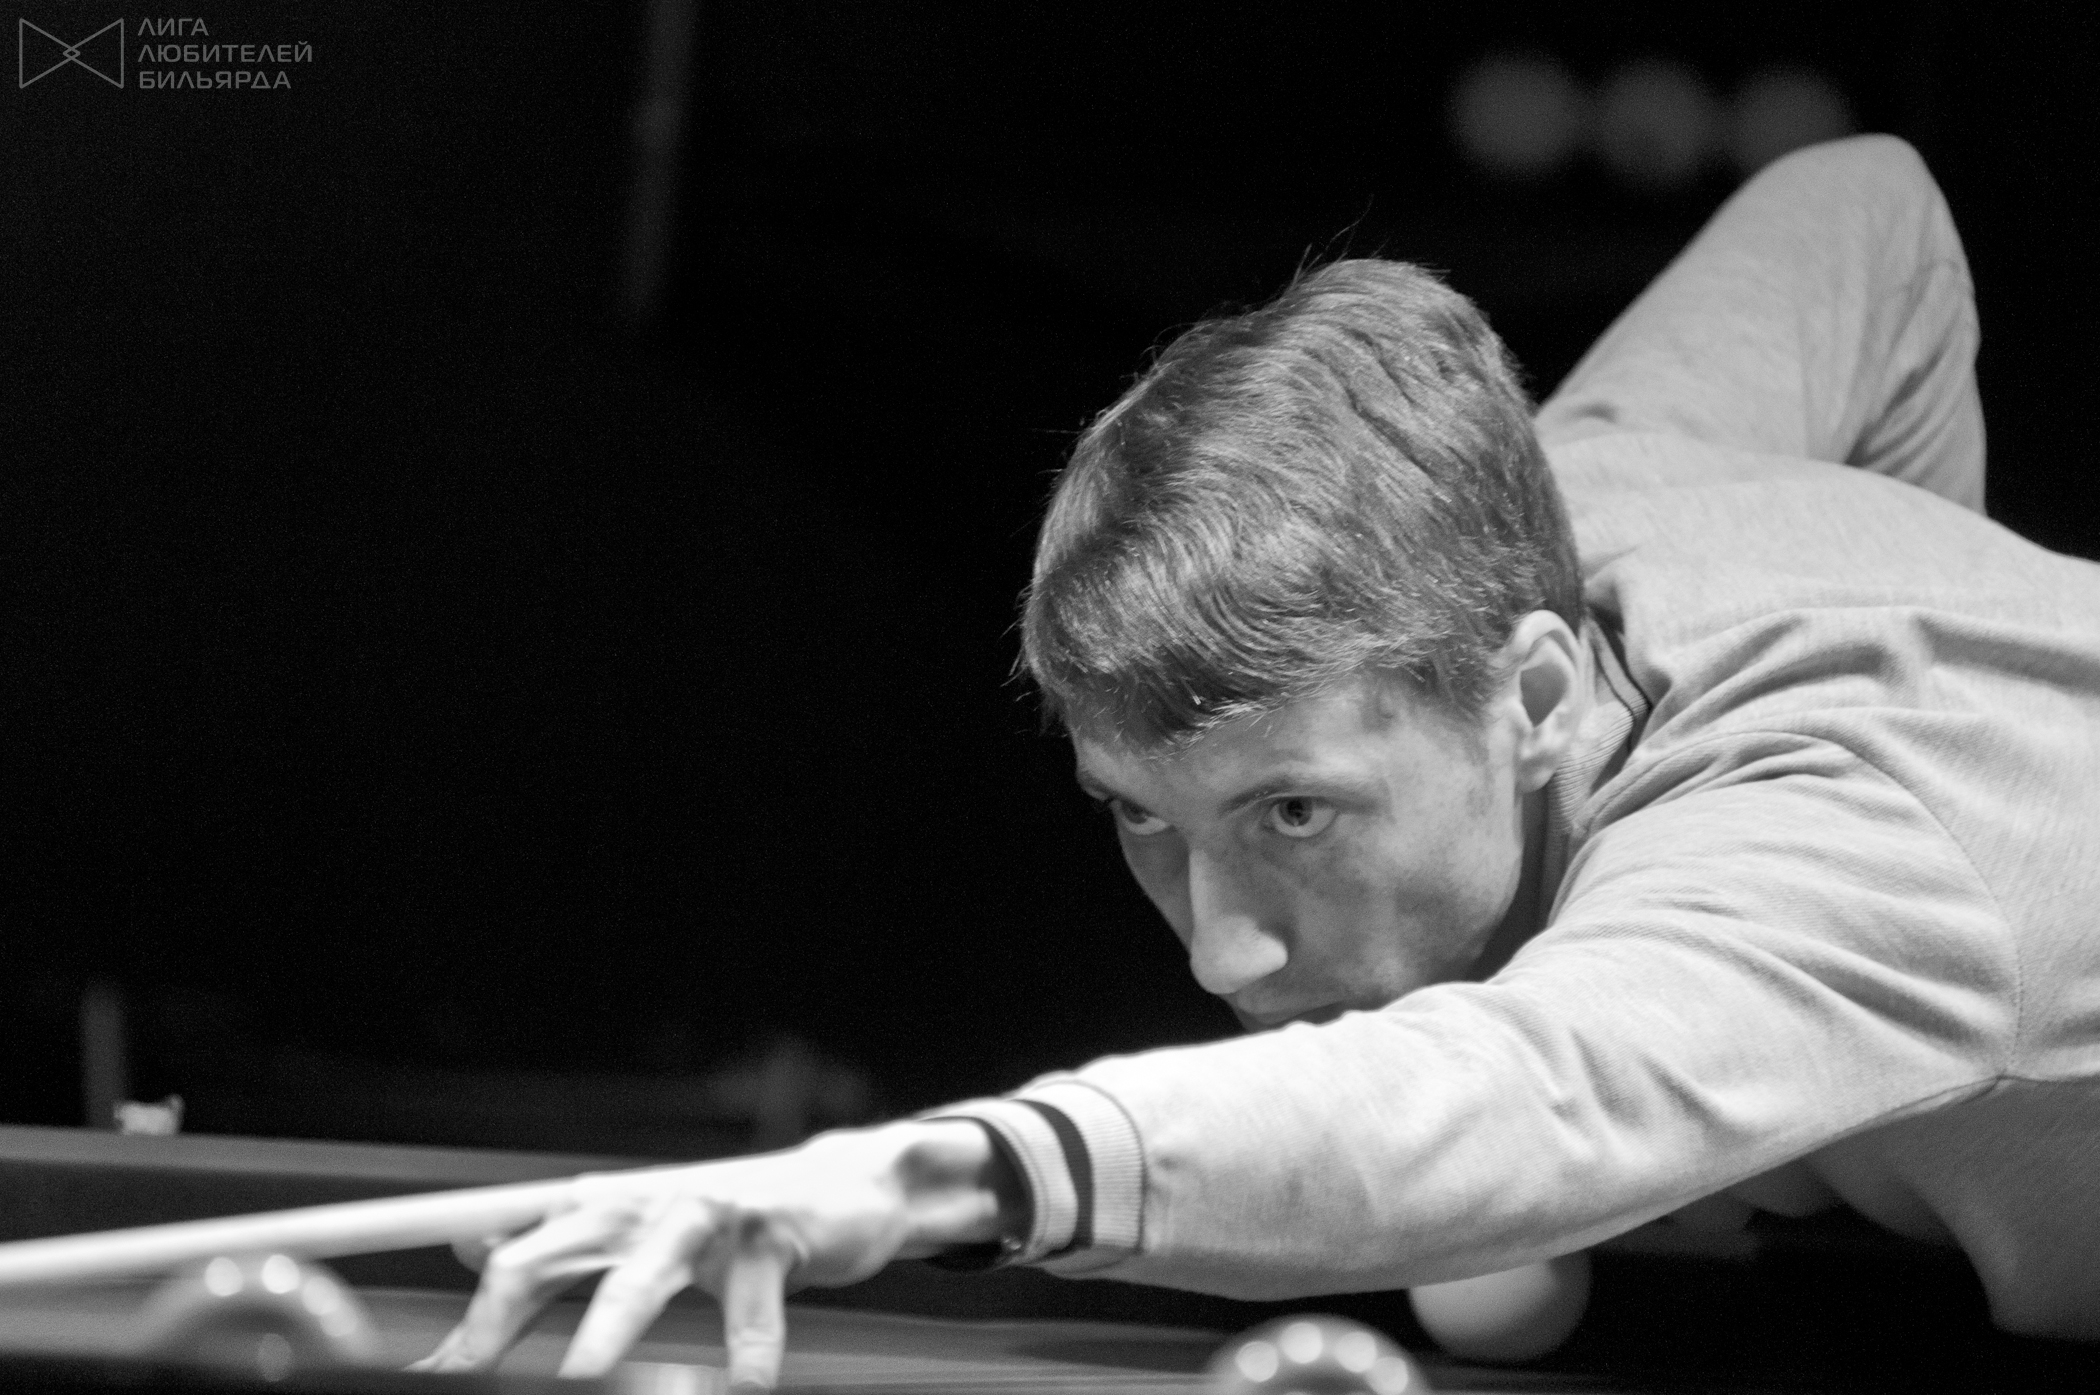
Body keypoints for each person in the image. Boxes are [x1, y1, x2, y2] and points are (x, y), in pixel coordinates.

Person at [422, 135, 2100, 1383]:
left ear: (1534, 699)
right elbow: (1863, 210)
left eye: (1295, 812)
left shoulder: (1847, 848)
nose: (1222, 951)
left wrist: (919, 1173)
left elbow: (1508, 1103)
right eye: (1143, 821)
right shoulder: (1561, 495)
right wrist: (1834, 1092)